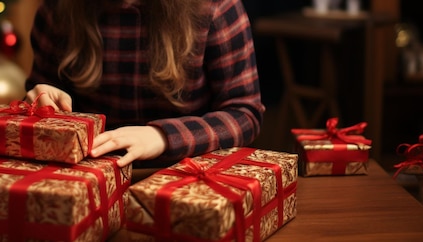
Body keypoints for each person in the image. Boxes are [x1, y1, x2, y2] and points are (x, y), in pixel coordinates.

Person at [25, 0, 264, 168]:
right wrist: (40, 99)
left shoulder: (216, 7)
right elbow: (40, 96)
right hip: (87, 176)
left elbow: (244, 113)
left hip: (185, 176)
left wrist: (161, 137)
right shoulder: (57, 9)